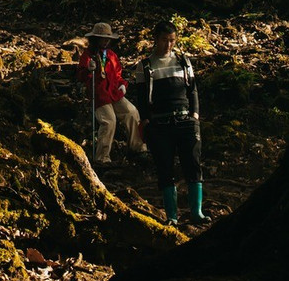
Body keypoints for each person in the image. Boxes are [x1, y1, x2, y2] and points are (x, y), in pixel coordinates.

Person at [141, 18, 206, 226]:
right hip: (160, 125)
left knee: (193, 165)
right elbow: (141, 98)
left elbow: (193, 90)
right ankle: (172, 216)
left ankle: (197, 212)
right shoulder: (145, 66)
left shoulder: (184, 62)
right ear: (155, 39)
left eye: (172, 40)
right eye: (164, 40)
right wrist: (146, 122)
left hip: (185, 120)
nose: (168, 45)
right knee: (165, 169)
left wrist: (194, 116)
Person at [77, 22, 145, 167]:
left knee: (132, 112)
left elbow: (118, 75)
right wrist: (89, 70)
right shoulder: (88, 55)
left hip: (114, 93)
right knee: (109, 121)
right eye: (102, 38)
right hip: (99, 96)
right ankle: (102, 158)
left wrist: (122, 84)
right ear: (95, 39)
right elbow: (81, 77)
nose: (106, 41)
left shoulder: (112, 56)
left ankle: (138, 148)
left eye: (107, 38)